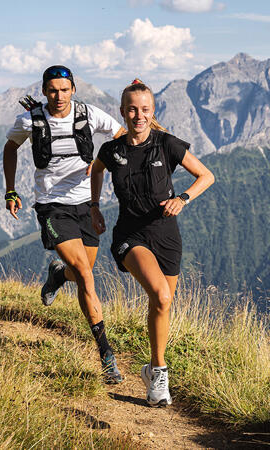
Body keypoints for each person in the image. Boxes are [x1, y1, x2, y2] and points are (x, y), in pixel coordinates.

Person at [90, 79, 214, 406]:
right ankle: (160, 372)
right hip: (130, 235)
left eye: (144, 109)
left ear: (152, 111)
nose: (138, 115)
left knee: (162, 304)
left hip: (167, 236)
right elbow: (97, 170)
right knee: (159, 293)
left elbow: (207, 176)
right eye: (132, 109)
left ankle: (150, 367)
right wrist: (93, 207)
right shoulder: (111, 150)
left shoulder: (167, 144)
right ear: (122, 112)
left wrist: (183, 198)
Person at [2, 65, 126, 383]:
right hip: (52, 207)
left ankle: (58, 275)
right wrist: (11, 190)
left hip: (87, 206)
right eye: (53, 90)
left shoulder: (89, 114)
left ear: (73, 90)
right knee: (85, 276)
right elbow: (10, 148)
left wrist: (101, 162)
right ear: (44, 91)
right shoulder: (30, 119)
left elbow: (122, 137)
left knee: (81, 271)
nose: (59, 96)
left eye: (64, 89)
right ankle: (106, 356)